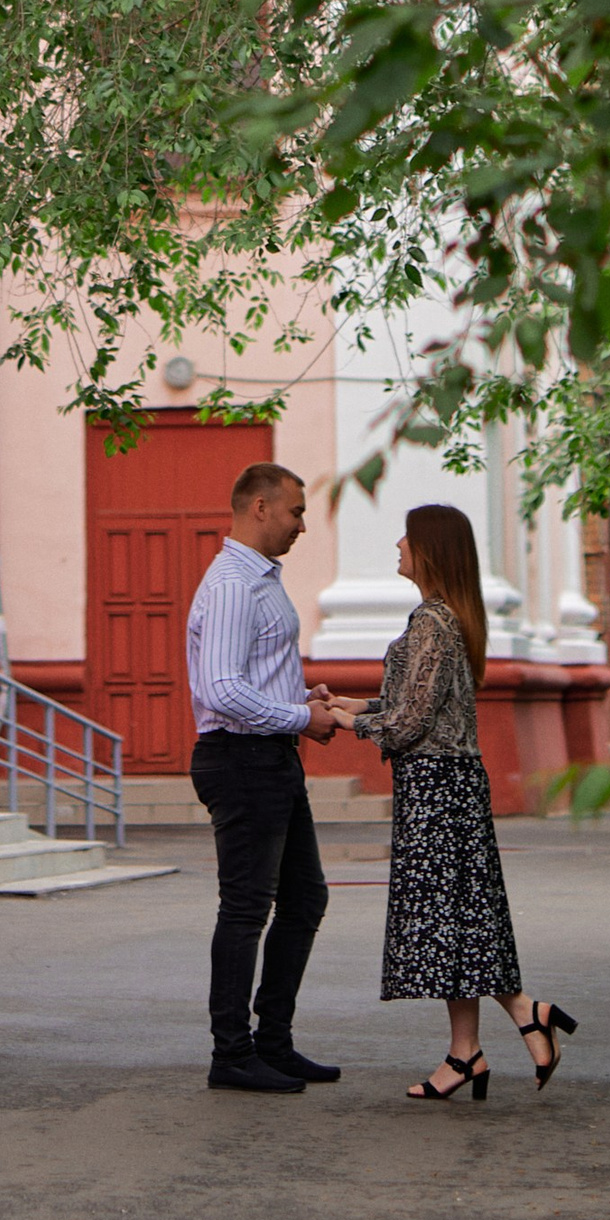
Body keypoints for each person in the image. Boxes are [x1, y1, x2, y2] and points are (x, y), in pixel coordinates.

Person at [319, 502, 574, 1103]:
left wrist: (341, 724)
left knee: (448, 921)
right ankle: (468, 1052)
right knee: (452, 922)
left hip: (439, 786)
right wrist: (349, 707)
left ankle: (523, 1013)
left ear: (431, 548)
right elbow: (410, 705)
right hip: (444, 782)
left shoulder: (435, 621)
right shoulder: (439, 617)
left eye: (408, 536)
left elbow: (409, 722)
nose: (398, 544)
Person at [185, 460, 342, 1093]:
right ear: (259, 508)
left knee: (304, 899)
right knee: (247, 908)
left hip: (269, 754)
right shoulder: (232, 584)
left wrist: (301, 696)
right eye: (296, 511)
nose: (301, 525)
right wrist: (300, 716)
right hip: (242, 758)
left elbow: (246, 675)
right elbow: (221, 689)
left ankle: (272, 1043)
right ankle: (232, 1053)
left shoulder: (261, 580)